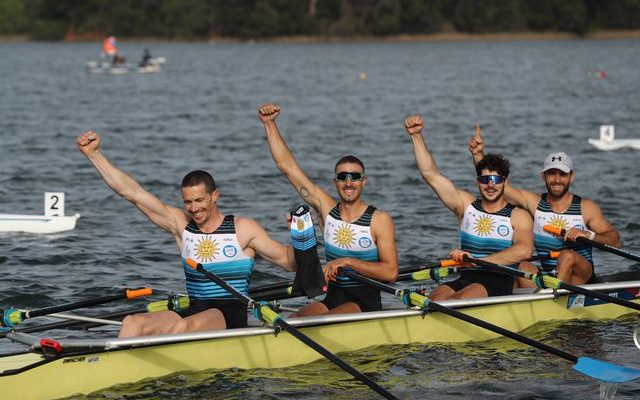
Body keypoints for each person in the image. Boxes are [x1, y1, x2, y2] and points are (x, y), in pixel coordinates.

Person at [76, 130, 297, 337]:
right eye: (188, 202)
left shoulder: (243, 228)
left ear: (214, 196)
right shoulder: (181, 225)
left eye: (200, 200)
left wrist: (300, 236)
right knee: (132, 322)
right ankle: (117, 366)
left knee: (183, 326)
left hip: (228, 317)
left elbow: (288, 261)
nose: (193, 208)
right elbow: (133, 193)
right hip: (194, 310)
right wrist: (94, 155)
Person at [258, 103, 398, 316]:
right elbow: (288, 167)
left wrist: (347, 262)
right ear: (335, 182)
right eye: (342, 177)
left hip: (365, 303)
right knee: (295, 319)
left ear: (364, 182)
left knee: (326, 321)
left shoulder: (379, 220)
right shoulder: (327, 211)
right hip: (332, 297)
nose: (349, 182)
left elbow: (390, 272)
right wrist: (269, 124)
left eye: (355, 177)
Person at [468, 126, 621, 286]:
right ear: (543, 176)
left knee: (567, 255)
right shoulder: (534, 203)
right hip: (549, 275)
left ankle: (554, 298)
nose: (556, 180)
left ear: (572, 177)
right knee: (518, 265)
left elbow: (615, 240)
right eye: (551, 173)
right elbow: (496, 185)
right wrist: (478, 155)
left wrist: (588, 235)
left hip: (581, 278)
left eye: (562, 174)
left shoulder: (586, 208)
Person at [403, 115, 533, 300]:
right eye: (484, 180)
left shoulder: (518, 216)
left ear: (505, 182)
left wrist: (477, 261)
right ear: (477, 182)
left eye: (495, 180)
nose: (490, 185)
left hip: (497, 281)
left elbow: (524, 250)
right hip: (466, 277)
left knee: (457, 301)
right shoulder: (466, 205)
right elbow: (430, 175)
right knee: (433, 299)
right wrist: (416, 136)